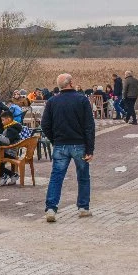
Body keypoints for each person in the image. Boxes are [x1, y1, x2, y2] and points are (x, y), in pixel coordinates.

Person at [41, 73, 95, 223]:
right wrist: (90, 149)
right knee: (83, 176)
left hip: (60, 144)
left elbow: (45, 125)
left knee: (56, 177)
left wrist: (54, 139)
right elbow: (89, 126)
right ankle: (83, 207)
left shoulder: (52, 101)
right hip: (79, 144)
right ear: (71, 83)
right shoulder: (82, 100)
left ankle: (51, 208)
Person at [0, 109, 22, 186]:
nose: (2, 122)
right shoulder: (12, 127)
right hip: (8, 151)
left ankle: (3, 175)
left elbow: (7, 141)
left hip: (9, 152)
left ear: (9, 119)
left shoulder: (11, 129)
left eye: (3, 120)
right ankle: (12, 175)